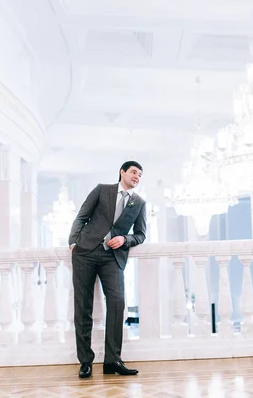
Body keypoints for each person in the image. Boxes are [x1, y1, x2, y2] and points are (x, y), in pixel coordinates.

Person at [68, 161, 147, 378]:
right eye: (133, 172)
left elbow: (141, 234)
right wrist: (73, 242)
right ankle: (85, 361)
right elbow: (82, 216)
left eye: (140, 175)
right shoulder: (102, 189)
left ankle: (112, 360)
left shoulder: (139, 203)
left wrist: (125, 239)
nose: (137, 177)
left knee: (117, 302)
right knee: (82, 306)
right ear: (122, 172)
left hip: (112, 257)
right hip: (85, 252)